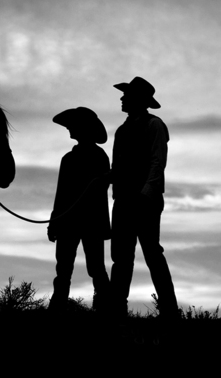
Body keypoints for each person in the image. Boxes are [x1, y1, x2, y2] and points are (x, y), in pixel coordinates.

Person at [109, 76, 179, 320]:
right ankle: (117, 311)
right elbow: (117, 167)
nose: (121, 98)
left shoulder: (154, 125)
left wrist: (146, 194)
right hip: (123, 200)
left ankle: (170, 311)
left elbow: (157, 162)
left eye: (126, 96)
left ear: (138, 100)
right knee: (121, 257)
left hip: (144, 201)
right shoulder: (121, 130)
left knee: (152, 254)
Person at [47, 107, 111, 313]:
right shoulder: (69, 159)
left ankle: (103, 307)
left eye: (72, 126)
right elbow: (61, 193)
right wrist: (54, 221)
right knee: (64, 268)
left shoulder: (99, 157)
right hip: (69, 221)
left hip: (88, 221)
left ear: (82, 129)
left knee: (95, 268)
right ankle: (58, 306)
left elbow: (99, 189)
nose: (68, 129)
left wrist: (56, 220)